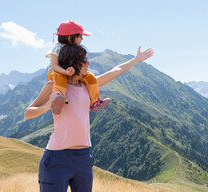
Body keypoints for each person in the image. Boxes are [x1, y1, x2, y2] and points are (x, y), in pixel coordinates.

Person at [25, 44, 154, 192]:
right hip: (56, 158)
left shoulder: (88, 85)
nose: (88, 63)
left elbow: (115, 71)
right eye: (84, 60)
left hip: (84, 158)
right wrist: (48, 106)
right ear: (72, 63)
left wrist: (136, 59)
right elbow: (28, 113)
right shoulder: (54, 86)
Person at [46, 20, 110, 114]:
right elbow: (54, 66)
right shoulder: (57, 48)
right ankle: (58, 98)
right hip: (56, 72)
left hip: (70, 72)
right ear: (70, 38)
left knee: (90, 76)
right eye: (80, 36)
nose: (82, 39)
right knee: (60, 77)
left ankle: (95, 101)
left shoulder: (74, 49)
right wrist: (65, 72)